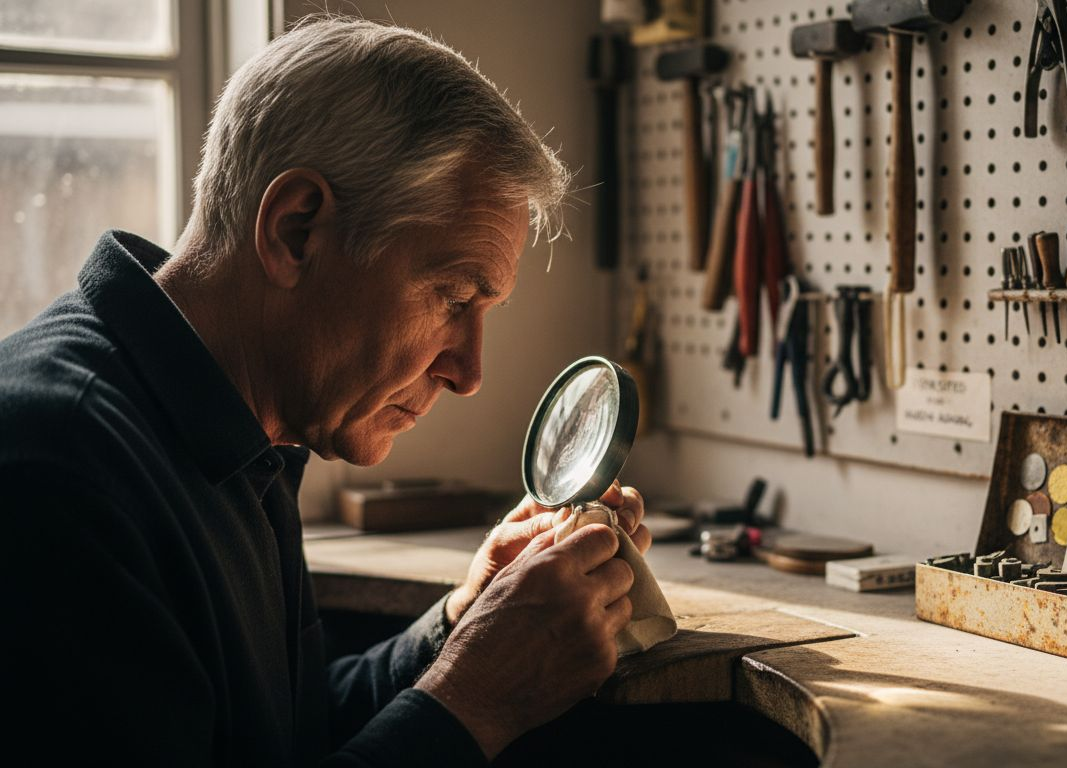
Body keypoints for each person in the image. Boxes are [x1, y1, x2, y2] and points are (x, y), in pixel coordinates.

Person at [0, 15, 649, 766]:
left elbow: (281, 737)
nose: (468, 373)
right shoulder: (54, 473)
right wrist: (477, 699)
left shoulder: (247, 434)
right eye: (452, 298)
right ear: (296, 231)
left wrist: (465, 624)